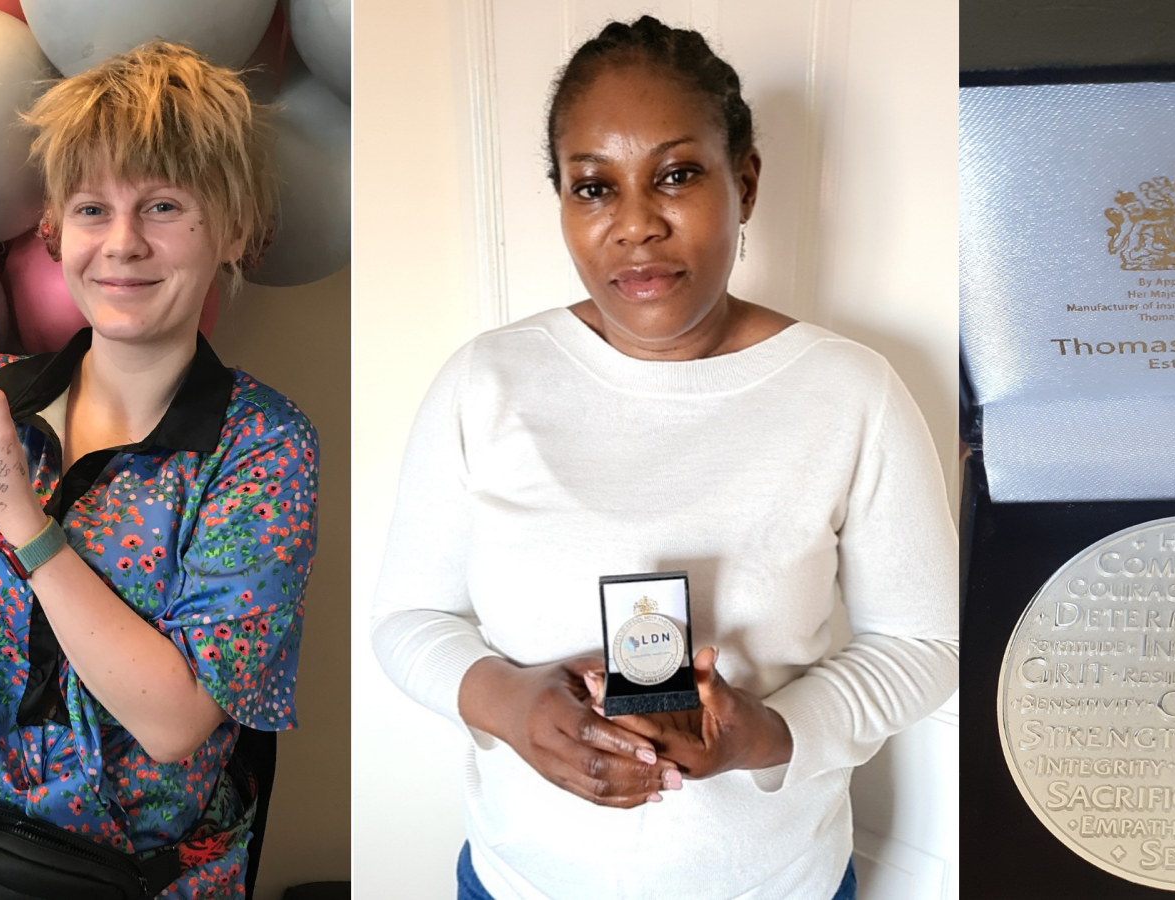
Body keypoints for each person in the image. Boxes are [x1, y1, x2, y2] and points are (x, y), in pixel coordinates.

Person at [371, 16, 957, 900]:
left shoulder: (850, 394)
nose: (636, 225)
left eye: (677, 176)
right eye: (594, 187)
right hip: (518, 884)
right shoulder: (485, 382)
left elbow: (925, 643)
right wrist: (509, 703)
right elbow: (407, 619)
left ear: (745, 182)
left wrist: (767, 735)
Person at [0, 42, 318, 900]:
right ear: (55, 232)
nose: (124, 244)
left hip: (136, 882)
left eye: (165, 205)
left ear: (234, 229)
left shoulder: (261, 444)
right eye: (92, 208)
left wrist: (16, 511)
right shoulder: (2, 406)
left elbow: (175, 722)